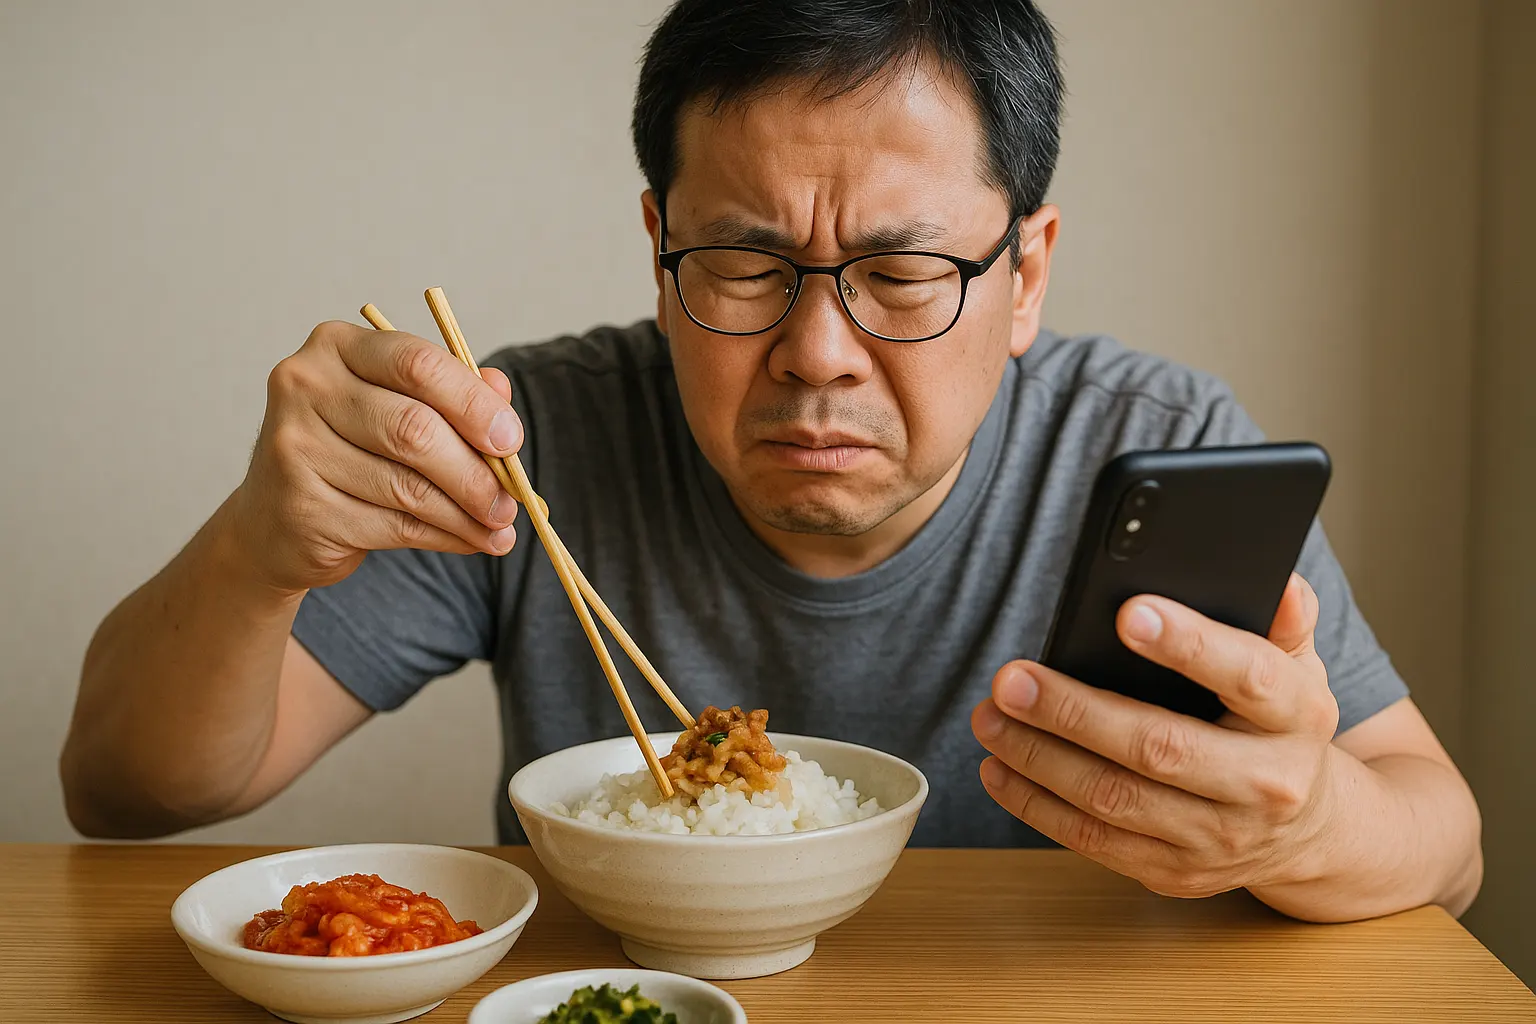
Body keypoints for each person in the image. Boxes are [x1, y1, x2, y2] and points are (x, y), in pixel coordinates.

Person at [60, 0, 1481, 923]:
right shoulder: (529, 446)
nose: (817, 352)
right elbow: (130, 791)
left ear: (1027, 272)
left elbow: (1447, 840)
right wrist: (261, 544)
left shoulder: (1150, 447)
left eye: (904, 270)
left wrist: (1306, 826)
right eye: (742, 264)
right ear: (658, 244)